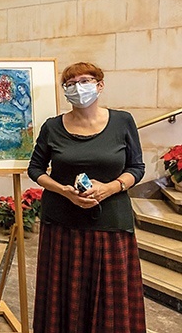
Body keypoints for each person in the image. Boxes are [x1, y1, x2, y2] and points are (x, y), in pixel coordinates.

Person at [27, 62, 146, 332]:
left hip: (111, 226)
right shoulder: (52, 127)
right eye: (69, 84)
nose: (77, 88)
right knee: (63, 296)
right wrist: (63, 191)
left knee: (110, 302)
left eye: (84, 81)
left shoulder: (122, 121)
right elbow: (35, 169)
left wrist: (110, 187)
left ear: (99, 85)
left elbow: (136, 168)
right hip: (62, 225)